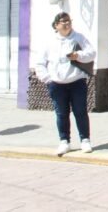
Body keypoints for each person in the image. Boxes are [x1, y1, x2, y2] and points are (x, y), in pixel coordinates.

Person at [33, 12, 95, 156]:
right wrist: (48, 79)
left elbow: (91, 53)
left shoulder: (79, 37)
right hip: (57, 84)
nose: (67, 24)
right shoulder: (49, 42)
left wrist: (78, 56)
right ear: (56, 25)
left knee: (80, 112)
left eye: (68, 21)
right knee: (61, 114)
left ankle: (85, 140)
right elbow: (40, 63)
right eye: (63, 22)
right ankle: (64, 141)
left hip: (76, 82)